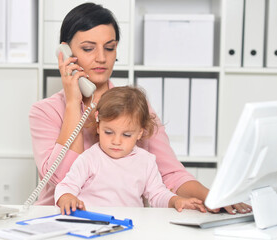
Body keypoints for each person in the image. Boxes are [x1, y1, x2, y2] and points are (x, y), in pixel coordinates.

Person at [29, 2, 251, 214]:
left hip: (123, 222)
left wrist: (215, 199)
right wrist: (72, 104)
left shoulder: (134, 107)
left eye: (110, 48)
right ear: (65, 54)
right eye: (88, 48)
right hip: (61, 220)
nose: (101, 58)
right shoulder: (44, 112)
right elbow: (62, 179)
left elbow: (171, 173)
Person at [55, 86, 207, 215]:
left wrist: (175, 200)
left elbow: (157, 194)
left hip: (131, 225)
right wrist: (67, 197)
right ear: (98, 124)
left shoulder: (146, 161)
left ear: (140, 133)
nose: (116, 141)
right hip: (92, 222)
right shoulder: (90, 158)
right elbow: (66, 186)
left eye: (127, 135)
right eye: (109, 132)